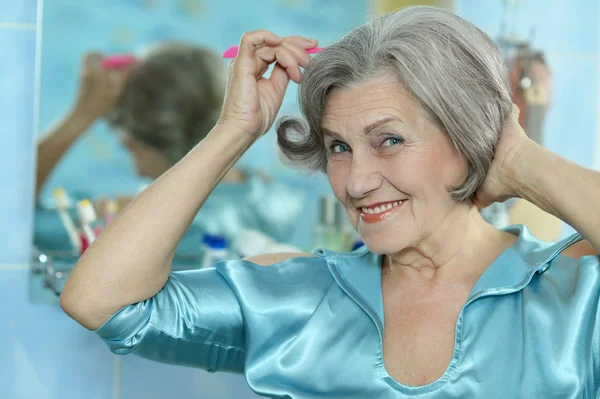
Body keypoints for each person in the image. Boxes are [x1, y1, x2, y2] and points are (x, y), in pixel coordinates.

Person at [60, 7, 599, 398]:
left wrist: (520, 163)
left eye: (389, 140)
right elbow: (101, 304)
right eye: (339, 147)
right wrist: (233, 130)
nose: (357, 181)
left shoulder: (572, 299)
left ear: (465, 140)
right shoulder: (300, 301)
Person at [36, 42, 303, 243]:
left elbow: (16, 222)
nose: (124, 144)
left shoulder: (139, 220)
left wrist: (79, 117)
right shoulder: (273, 199)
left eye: (126, 137)